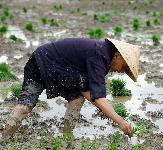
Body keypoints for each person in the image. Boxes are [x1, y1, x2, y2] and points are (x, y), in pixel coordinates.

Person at [3, 38, 140, 138]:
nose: (123, 71)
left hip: (62, 70)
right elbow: (98, 97)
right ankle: (4, 140)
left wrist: (105, 110)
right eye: (125, 67)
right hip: (41, 62)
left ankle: (67, 137)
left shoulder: (103, 55)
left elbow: (87, 91)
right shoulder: (100, 56)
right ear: (118, 56)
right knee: (24, 107)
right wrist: (120, 121)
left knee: (77, 99)